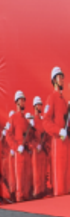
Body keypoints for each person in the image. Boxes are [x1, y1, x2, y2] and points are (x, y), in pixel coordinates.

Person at [42, 67, 69, 197]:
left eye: (62, 77)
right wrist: (59, 131)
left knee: (67, 175)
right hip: (58, 142)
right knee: (59, 176)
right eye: (59, 77)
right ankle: (60, 199)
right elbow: (46, 122)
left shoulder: (63, 101)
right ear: (54, 80)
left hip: (67, 142)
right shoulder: (51, 98)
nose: (62, 80)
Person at [8, 91, 32, 201]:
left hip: (26, 151)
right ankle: (19, 196)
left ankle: (26, 196)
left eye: (23, 100)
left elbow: (29, 137)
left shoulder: (26, 121)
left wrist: (29, 146)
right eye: (21, 100)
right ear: (16, 102)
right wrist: (16, 147)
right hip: (19, 151)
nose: (23, 102)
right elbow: (8, 135)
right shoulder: (13, 118)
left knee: (27, 175)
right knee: (20, 175)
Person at [31, 96, 51, 198]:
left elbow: (47, 137)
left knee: (44, 171)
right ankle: (37, 192)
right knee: (37, 172)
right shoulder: (32, 121)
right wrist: (36, 145)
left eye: (41, 105)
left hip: (43, 150)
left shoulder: (43, 121)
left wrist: (46, 146)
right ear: (35, 106)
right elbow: (29, 137)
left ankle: (43, 191)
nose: (40, 107)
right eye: (38, 105)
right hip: (36, 151)